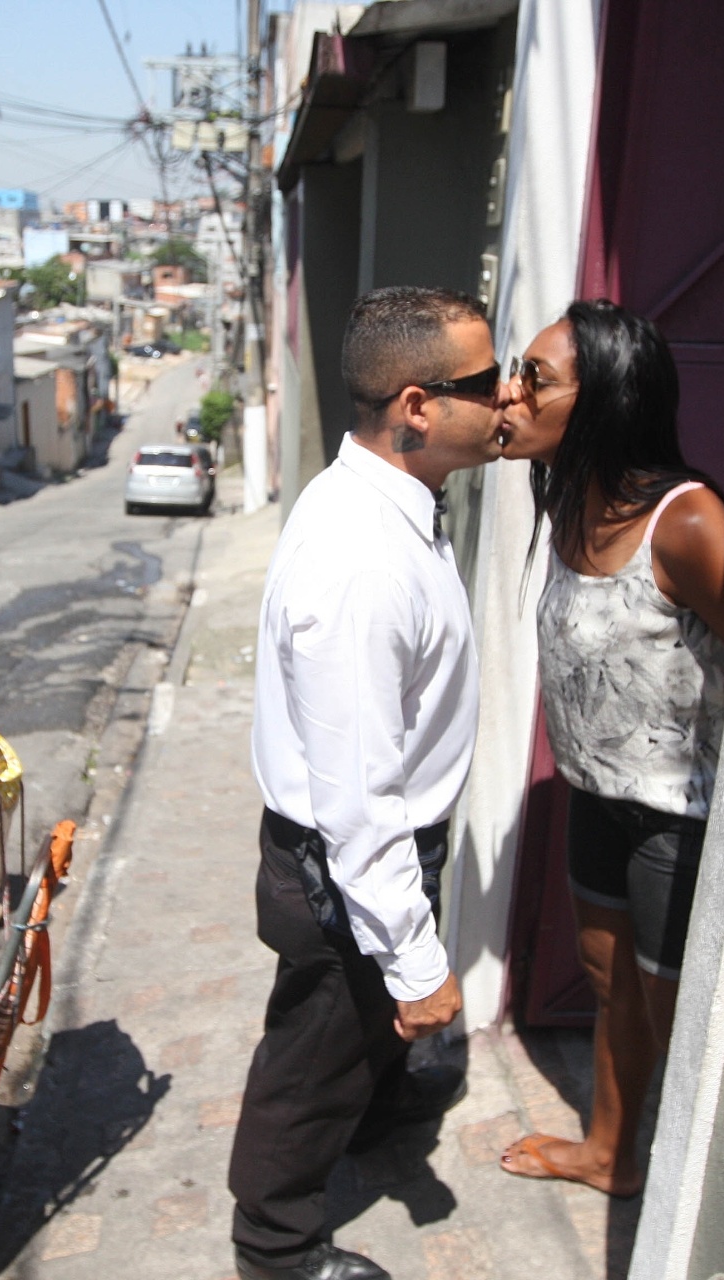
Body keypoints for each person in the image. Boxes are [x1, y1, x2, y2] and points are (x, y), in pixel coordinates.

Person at [230, 286, 507, 1280]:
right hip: (341, 864)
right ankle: (275, 1245)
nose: (508, 397)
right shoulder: (362, 561)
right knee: (314, 1058)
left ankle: (377, 1108)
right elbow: (357, 802)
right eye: (488, 380)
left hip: (366, 854)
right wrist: (420, 962)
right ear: (417, 406)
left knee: (357, 1038)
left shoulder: (390, 499)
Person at [494, 300, 724, 1195]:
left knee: (683, 1017)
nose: (509, 392)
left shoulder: (686, 521)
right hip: (597, 796)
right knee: (609, 983)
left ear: (603, 398)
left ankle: (704, 1208)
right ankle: (610, 1154)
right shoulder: (569, 501)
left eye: (535, 380)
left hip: (682, 818)